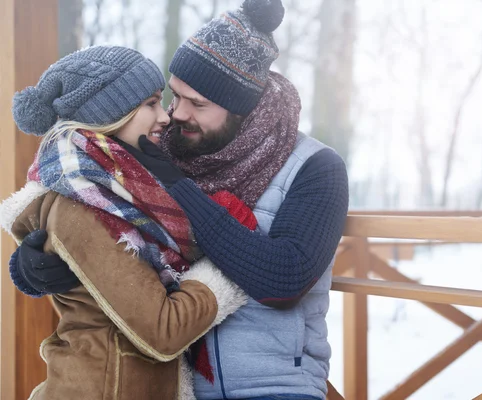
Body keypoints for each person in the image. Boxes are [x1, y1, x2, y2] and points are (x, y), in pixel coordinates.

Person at [12, 0, 350, 398]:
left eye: (199, 104)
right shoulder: (160, 148)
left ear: (246, 107)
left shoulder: (315, 167)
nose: (176, 114)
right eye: (175, 95)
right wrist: (33, 265)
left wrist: (178, 187)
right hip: (174, 385)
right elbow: (100, 223)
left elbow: (283, 281)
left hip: (273, 384)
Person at [0, 45, 250, 400]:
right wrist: (224, 270)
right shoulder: (86, 202)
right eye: (150, 103)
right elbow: (163, 331)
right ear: (111, 113)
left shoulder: (126, 188)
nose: (165, 116)